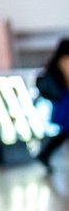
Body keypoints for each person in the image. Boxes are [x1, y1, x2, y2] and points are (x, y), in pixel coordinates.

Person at [37, 39, 69, 172]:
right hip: (66, 101)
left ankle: (45, 154)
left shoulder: (55, 61)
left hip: (62, 101)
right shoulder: (65, 60)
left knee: (64, 132)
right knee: (64, 132)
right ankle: (44, 154)